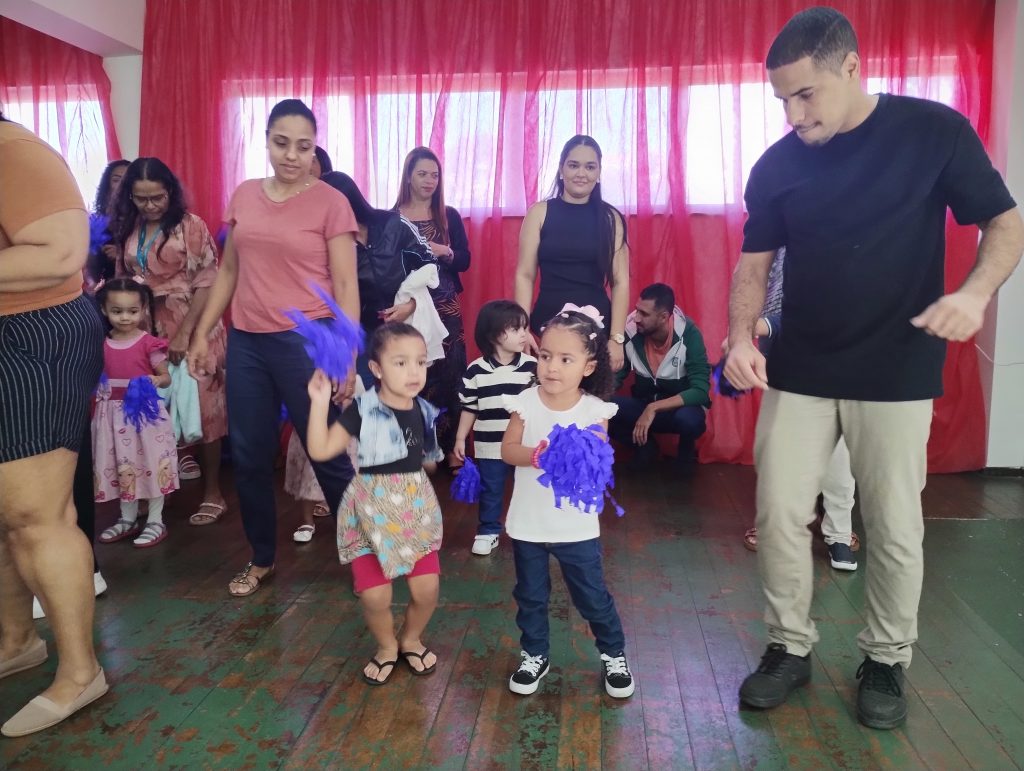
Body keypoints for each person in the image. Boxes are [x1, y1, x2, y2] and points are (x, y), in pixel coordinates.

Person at [723, 7, 1024, 730]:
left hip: (895, 368)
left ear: (852, 67)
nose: (795, 115)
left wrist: (974, 294)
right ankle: (788, 646)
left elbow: (1005, 222)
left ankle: (886, 657)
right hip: (800, 367)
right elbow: (753, 265)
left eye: (806, 95)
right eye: (782, 100)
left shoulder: (933, 131)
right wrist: (738, 338)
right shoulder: (778, 165)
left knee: (891, 524)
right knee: (778, 512)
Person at [186, 98, 360, 597]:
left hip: (307, 342)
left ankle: (367, 554)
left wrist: (346, 355)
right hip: (248, 343)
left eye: (303, 147)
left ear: (314, 149)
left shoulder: (331, 202)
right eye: (282, 143)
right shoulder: (244, 195)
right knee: (249, 455)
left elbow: (346, 285)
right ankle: (261, 558)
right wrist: (202, 333)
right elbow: (229, 271)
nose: (291, 155)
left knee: (326, 453)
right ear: (266, 140)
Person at [0, 112, 108, 737]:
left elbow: (63, 251)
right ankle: (16, 641)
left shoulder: (13, 150)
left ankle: (80, 672)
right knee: (5, 516)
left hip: (33, 336)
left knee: (37, 515)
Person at [501, 305, 634, 699]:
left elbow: (597, 459)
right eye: (545, 356)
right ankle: (535, 654)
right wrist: (537, 456)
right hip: (528, 524)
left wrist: (578, 453)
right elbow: (508, 450)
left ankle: (613, 654)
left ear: (588, 367)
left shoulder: (595, 410)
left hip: (575, 530)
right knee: (530, 597)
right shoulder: (526, 401)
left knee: (592, 597)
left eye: (565, 359)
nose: (552, 367)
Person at [306, 323, 443, 685]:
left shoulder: (425, 411)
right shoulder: (363, 409)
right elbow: (321, 449)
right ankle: (386, 647)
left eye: (421, 362)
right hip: (369, 512)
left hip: (415, 511)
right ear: (376, 369)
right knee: (374, 597)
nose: (414, 372)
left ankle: (410, 639)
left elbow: (428, 459)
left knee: (427, 590)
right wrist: (319, 403)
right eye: (401, 362)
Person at [110, 157, 229, 526]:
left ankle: (213, 492)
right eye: (141, 198)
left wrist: (185, 333)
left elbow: (207, 282)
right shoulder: (128, 226)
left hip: (193, 322)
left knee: (205, 407)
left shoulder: (190, 226)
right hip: (145, 327)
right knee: (152, 406)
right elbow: (122, 280)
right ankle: (158, 488)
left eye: (157, 197)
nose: (150, 205)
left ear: (171, 193)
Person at [739, 252, 861, 570]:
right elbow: (755, 282)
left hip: (835, 351)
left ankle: (838, 533)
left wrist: (761, 326)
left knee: (838, 451)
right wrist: (744, 333)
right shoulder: (773, 238)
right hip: (783, 355)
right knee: (782, 449)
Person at [515, 135, 630, 372]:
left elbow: (621, 281)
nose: (581, 173)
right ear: (561, 169)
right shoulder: (539, 213)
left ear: (599, 172)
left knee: (592, 396)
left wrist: (617, 338)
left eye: (590, 167)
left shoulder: (611, 218)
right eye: (574, 165)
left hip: (596, 331)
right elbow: (525, 275)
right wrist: (522, 328)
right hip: (545, 328)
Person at [395, 147, 471, 472]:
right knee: (414, 374)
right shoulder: (393, 217)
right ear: (408, 176)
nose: (429, 180)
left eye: (435, 175)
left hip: (446, 305)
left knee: (452, 373)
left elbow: (465, 260)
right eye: (422, 174)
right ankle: (420, 450)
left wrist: (445, 251)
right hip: (409, 308)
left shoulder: (448, 215)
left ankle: (454, 449)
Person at [92, 278, 180, 548]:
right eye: (117, 311)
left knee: (151, 465)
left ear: (143, 310)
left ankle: (155, 520)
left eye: (132, 311)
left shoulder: (148, 344)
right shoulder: (101, 344)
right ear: (105, 310)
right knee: (122, 466)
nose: (125, 317)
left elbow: (166, 377)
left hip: (143, 417)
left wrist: (156, 380)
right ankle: (127, 518)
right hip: (111, 418)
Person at [454, 300, 537, 556]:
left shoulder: (532, 367)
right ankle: (488, 531)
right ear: (493, 335)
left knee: (528, 488)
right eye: (515, 329)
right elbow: (470, 408)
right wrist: (460, 438)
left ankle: (531, 530)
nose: (523, 334)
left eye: (525, 328)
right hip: (489, 447)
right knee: (491, 490)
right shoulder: (475, 371)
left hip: (524, 445)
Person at [609, 283, 710, 470]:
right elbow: (617, 375)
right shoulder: (630, 331)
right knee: (603, 407)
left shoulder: (689, 334)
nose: (636, 318)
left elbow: (701, 392)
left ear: (664, 317)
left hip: (679, 410)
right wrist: (593, 398)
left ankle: (685, 454)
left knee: (689, 421)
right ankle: (646, 448)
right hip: (643, 405)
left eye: (644, 314)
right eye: (637, 310)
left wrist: (653, 408)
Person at [85, 159, 130, 287]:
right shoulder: (95, 220)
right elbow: (92, 270)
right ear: (107, 185)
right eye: (116, 180)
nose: (122, 184)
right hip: (105, 288)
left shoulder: (144, 218)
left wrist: (121, 256)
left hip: (135, 288)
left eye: (127, 180)